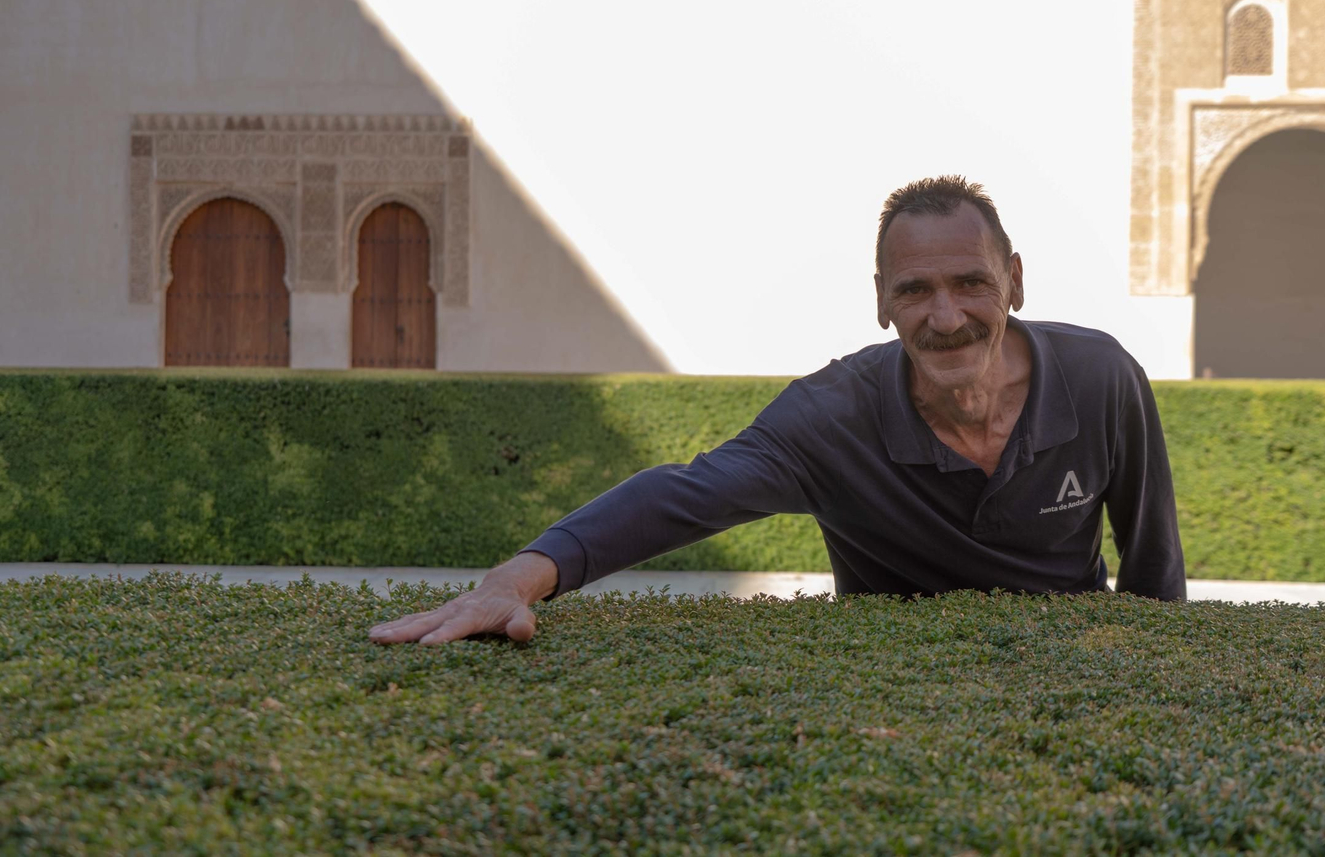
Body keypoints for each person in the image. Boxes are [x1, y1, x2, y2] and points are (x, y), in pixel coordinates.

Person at [369, 176, 1187, 647]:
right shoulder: (832, 417)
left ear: (1013, 280)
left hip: (1069, 674)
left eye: (970, 283)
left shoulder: (1101, 377)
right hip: (892, 692)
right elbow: (681, 496)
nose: (946, 316)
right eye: (915, 290)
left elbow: (1154, 574)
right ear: (881, 304)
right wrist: (517, 579)